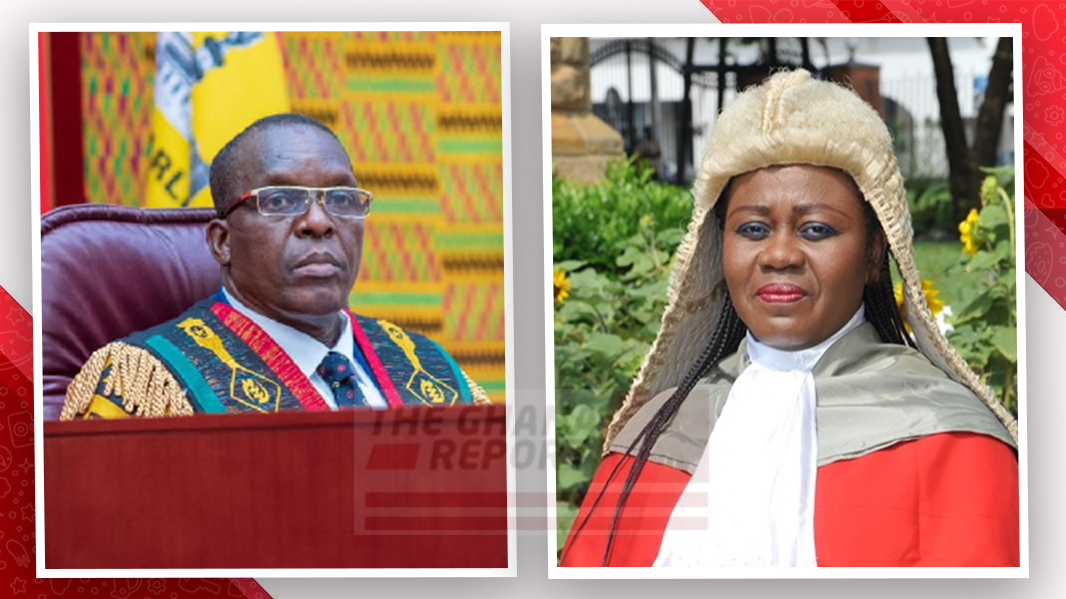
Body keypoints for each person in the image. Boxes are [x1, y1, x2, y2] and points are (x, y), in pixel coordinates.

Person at [559, 70, 1019, 567]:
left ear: (872, 252)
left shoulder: (952, 443)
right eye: (753, 229)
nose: (779, 254)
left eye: (816, 229)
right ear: (719, 249)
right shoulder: (657, 431)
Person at [62, 113, 487, 419]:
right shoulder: (146, 383)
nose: (319, 222)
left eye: (341, 200)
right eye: (280, 201)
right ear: (222, 242)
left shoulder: (430, 369)